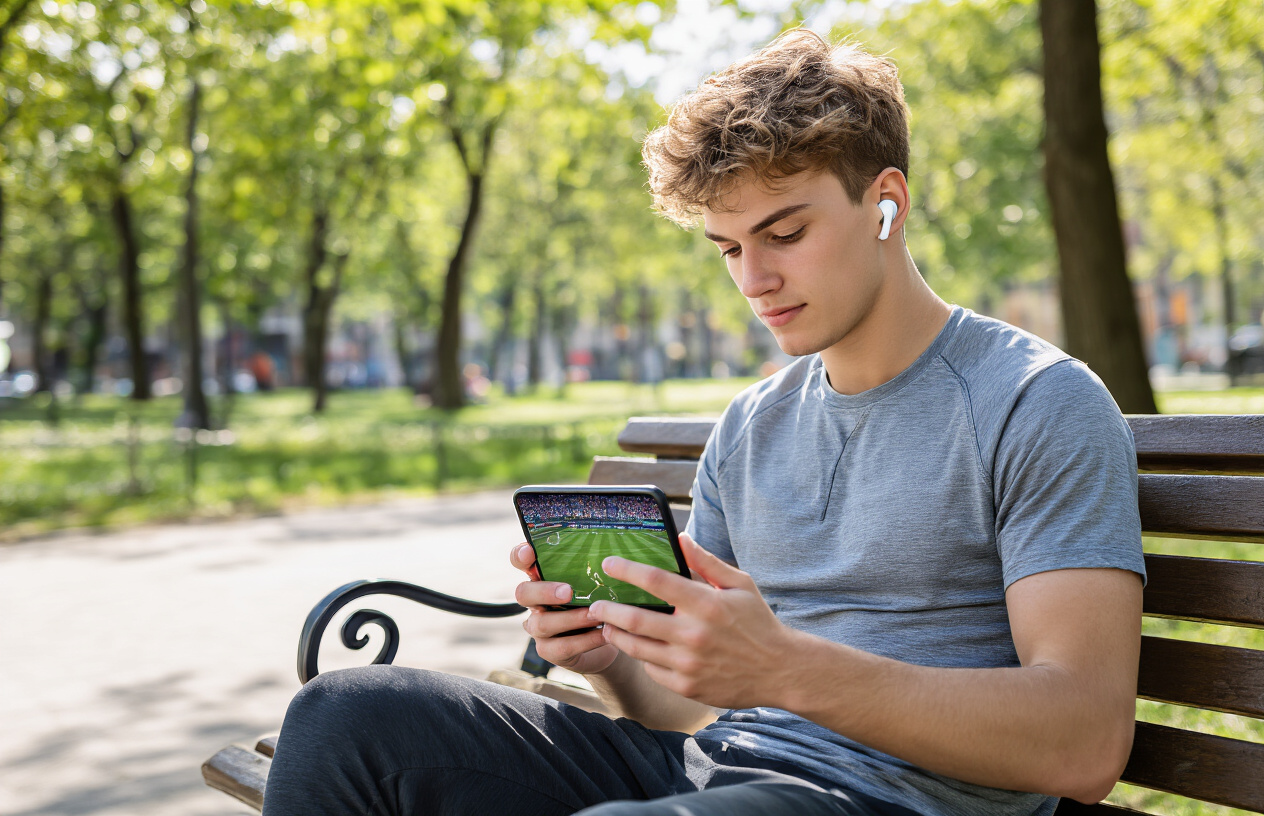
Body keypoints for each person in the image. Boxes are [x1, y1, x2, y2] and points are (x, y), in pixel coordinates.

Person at [262, 29, 1145, 816]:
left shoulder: (1037, 403)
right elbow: (687, 707)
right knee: (344, 720)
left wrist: (789, 668)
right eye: (728, 248)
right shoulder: (754, 425)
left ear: (886, 203)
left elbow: (1084, 742)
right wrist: (611, 657)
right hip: (715, 769)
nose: (752, 279)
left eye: (785, 232)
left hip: (890, 797)